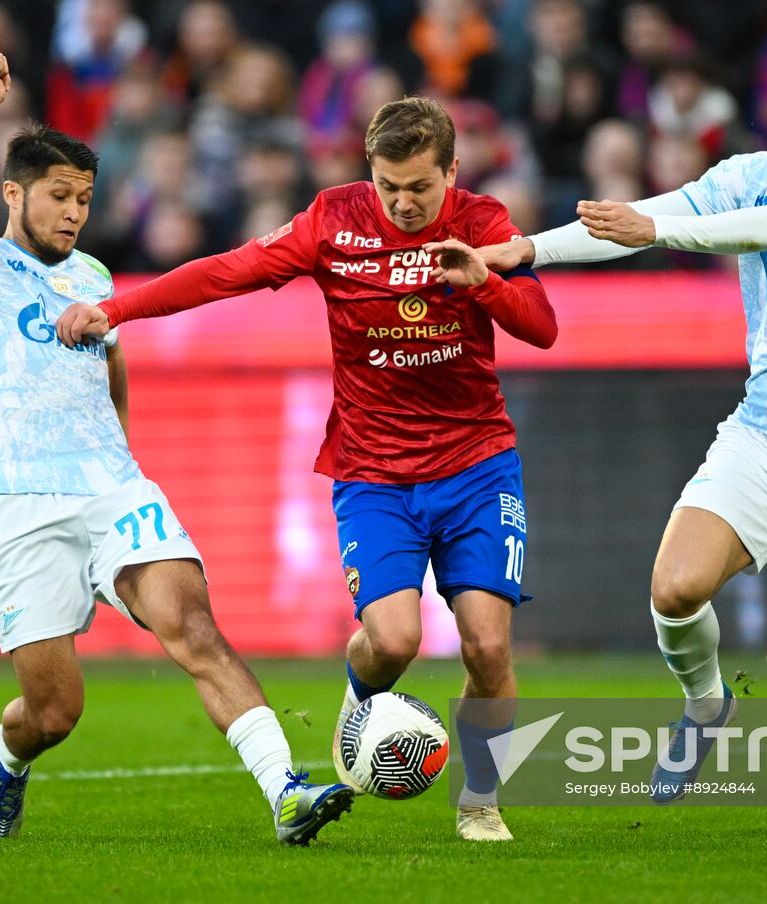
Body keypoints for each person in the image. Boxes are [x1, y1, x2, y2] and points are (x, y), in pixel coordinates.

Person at [57, 96, 557, 841]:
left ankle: (480, 801)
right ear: (370, 173)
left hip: (478, 465)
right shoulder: (333, 220)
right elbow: (229, 272)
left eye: (421, 186)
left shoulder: (483, 223)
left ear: (453, 170)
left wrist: (481, 279)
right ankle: (360, 704)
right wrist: (118, 309)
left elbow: (543, 328)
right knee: (392, 642)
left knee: (487, 644)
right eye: (390, 186)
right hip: (373, 471)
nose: (404, 202)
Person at [0, 52, 353, 843]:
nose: (75, 213)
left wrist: (125, 466)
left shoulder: (95, 274)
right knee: (53, 710)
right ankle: (9, 763)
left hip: (113, 489)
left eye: (85, 199)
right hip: (19, 501)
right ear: (12, 193)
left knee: (195, 628)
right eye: (59, 197)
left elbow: (113, 369)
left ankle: (286, 791)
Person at [478, 25, 767, 835]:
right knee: (675, 588)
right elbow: (637, 216)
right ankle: (705, 704)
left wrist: (660, 232)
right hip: (762, 432)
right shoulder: (751, 174)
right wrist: (521, 251)